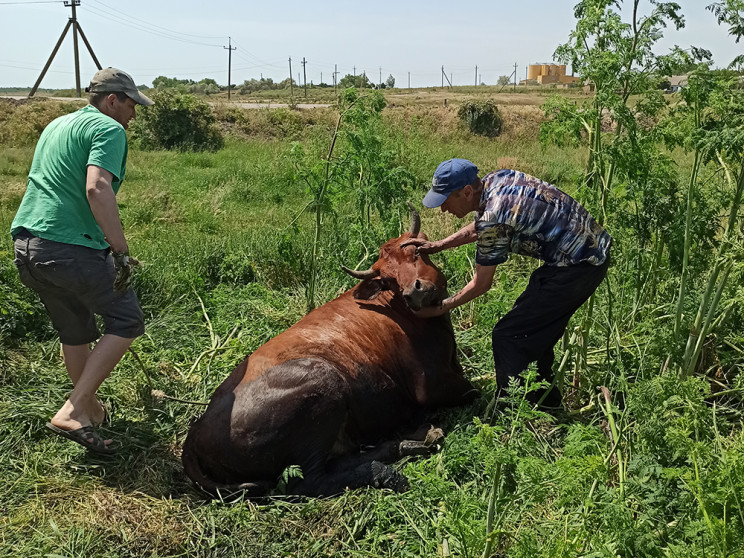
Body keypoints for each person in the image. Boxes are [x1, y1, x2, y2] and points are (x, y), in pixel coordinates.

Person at [10, 68, 153, 454]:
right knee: (126, 320)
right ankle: (73, 409)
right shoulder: (109, 130)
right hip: (69, 247)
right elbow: (97, 186)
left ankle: (88, 410)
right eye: (130, 105)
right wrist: (120, 252)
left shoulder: (58, 125)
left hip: (28, 245)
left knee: (75, 331)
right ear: (111, 100)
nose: (133, 114)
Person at [404, 159, 611, 407]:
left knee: (509, 336)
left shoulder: (493, 216)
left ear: (467, 191)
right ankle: (546, 403)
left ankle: (514, 411)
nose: (443, 210)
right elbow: (482, 225)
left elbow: (481, 284)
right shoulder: (496, 180)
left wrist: (440, 308)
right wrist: (440, 245)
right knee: (534, 334)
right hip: (584, 253)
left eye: (445, 201)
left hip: (579, 267)